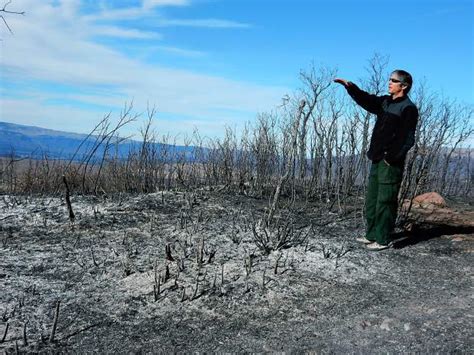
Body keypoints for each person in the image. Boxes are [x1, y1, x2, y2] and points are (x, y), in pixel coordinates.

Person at [334, 70, 418, 250]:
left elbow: (408, 139)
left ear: (404, 86)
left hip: (390, 163)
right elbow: (367, 100)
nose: (389, 83)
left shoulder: (408, 108)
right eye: (390, 79)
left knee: (385, 201)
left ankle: (382, 239)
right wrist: (350, 87)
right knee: (372, 200)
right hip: (377, 158)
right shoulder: (386, 102)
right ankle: (371, 234)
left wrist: (391, 157)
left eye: (393, 81)